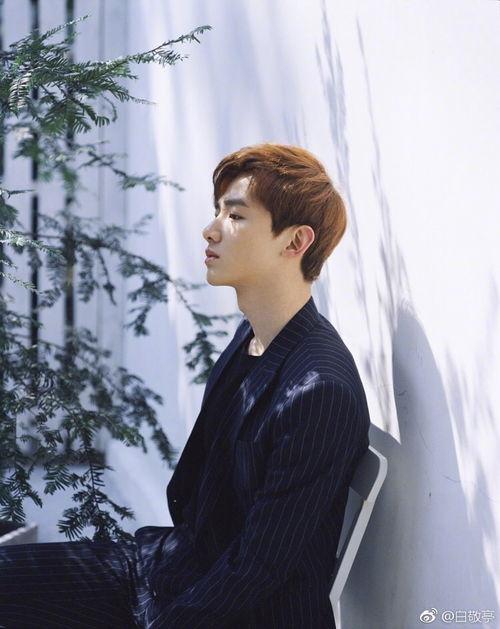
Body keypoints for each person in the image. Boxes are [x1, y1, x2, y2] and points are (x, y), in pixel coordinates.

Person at [0, 142, 371, 628]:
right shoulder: (253, 336)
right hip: (170, 569)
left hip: (224, 610)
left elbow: (258, 568)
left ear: (295, 242)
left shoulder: (319, 390)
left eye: (235, 216)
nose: (211, 229)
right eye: (218, 212)